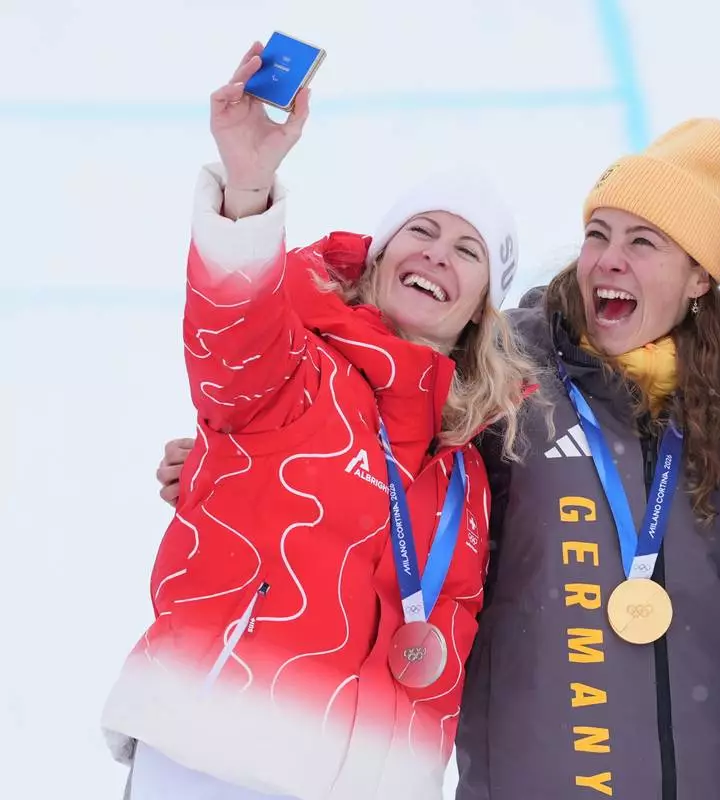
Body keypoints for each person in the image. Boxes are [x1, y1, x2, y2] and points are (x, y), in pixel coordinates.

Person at [103, 40, 533, 800]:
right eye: (420, 232)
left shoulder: (469, 464)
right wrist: (248, 181)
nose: (437, 254)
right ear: (378, 258)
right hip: (220, 748)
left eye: (467, 250)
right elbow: (229, 334)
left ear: (481, 308)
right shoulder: (299, 369)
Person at [453, 118, 720, 800]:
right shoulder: (508, 372)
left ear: (696, 278)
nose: (608, 259)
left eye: (642, 241)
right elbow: (385, 452)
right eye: (599, 235)